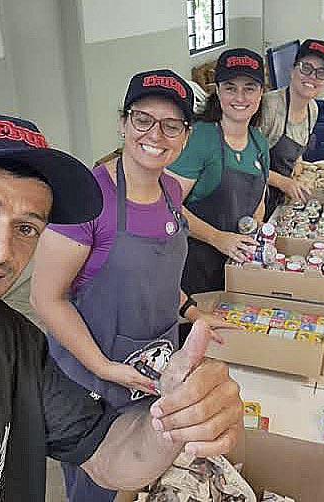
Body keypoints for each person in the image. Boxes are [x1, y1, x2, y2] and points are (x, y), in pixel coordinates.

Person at [0, 110, 243, 501]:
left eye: (26, 227)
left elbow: (106, 452)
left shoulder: (11, 342)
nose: (0, 252)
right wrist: (103, 366)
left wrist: (175, 421)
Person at [30, 70, 233, 501]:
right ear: (123, 123)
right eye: (143, 119)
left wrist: (192, 311)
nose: (155, 135)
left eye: (171, 125)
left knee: (138, 473)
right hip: (92, 382)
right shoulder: (86, 199)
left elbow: (158, 276)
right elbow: (46, 299)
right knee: (97, 485)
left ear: (185, 136)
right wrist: (105, 367)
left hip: (152, 368)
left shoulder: (171, 193)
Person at [168, 48, 270, 295]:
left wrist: (255, 229)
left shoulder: (259, 143)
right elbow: (168, 204)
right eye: (230, 88)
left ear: (261, 93)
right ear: (218, 91)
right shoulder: (200, 138)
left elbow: (259, 200)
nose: (240, 97)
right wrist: (217, 237)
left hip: (236, 267)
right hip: (194, 268)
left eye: (249, 88)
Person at [259, 39, 324, 220]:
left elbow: (297, 152)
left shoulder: (312, 109)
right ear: (292, 70)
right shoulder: (270, 107)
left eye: (320, 72)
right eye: (306, 68)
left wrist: (302, 169)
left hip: (280, 199)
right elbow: (245, 163)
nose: (312, 77)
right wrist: (283, 182)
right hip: (256, 199)